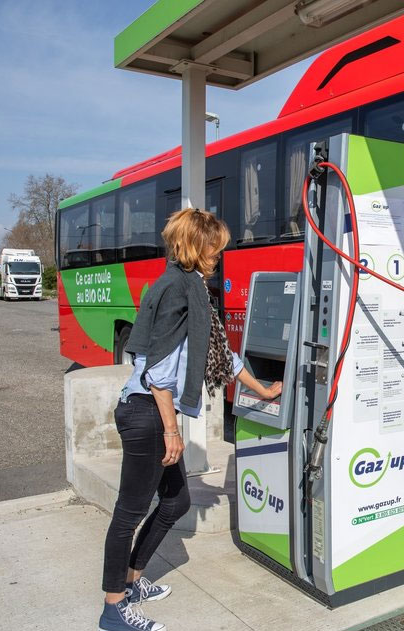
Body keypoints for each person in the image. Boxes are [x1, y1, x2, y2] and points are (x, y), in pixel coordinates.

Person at [98, 208, 282, 631]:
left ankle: (132, 580)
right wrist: (171, 431)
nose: (219, 254)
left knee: (177, 502)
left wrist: (264, 390)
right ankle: (114, 609)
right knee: (129, 512)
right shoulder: (178, 290)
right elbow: (156, 372)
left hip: (149, 411)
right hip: (147, 413)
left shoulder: (188, 287)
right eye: (214, 246)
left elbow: (221, 353)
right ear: (197, 246)